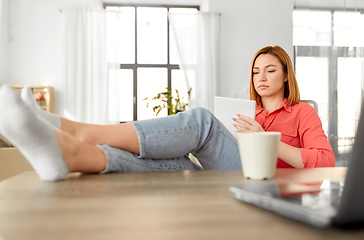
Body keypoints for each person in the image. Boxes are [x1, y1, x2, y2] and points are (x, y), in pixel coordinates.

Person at [0, 46, 335, 181]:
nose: (260, 78)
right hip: (236, 175)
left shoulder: (302, 112)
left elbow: (326, 162)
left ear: (286, 75)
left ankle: (76, 130)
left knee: (202, 121)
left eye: (270, 71)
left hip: (268, 183)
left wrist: (267, 141)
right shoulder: (250, 114)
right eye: (255, 72)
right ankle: (72, 156)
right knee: (177, 164)